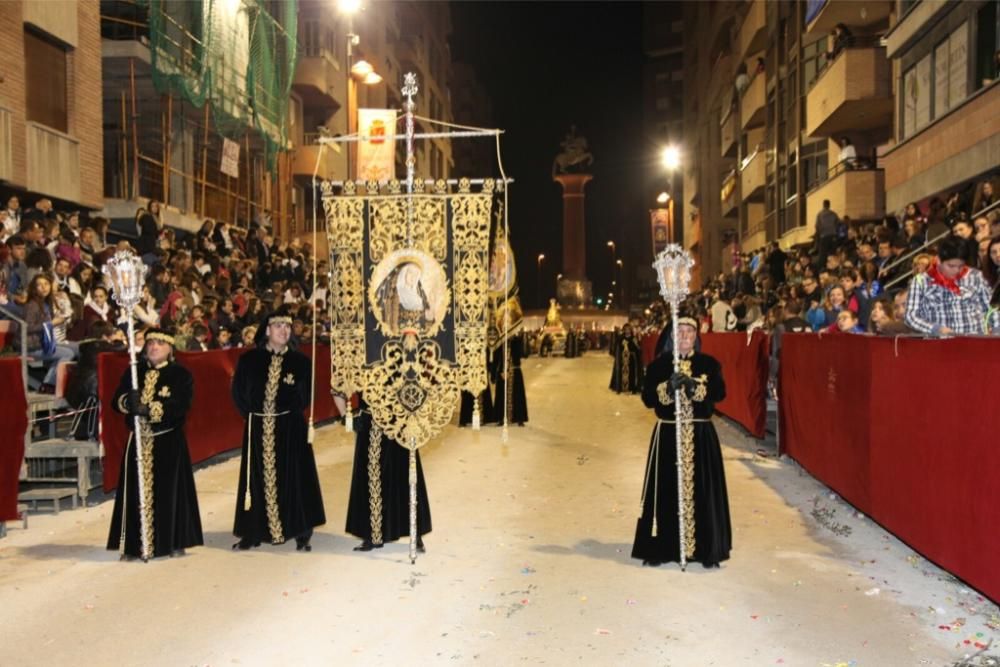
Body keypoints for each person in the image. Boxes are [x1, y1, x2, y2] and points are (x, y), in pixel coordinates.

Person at [632, 314, 731, 569]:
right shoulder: (658, 366)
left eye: (690, 331)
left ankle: (707, 549)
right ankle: (661, 548)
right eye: (680, 331)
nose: (685, 336)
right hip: (667, 435)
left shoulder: (709, 364)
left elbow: (720, 393)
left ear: (696, 336)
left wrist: (694, 387)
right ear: (672, 336)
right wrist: (667, 387)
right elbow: (647, 399)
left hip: (700, 436)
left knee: (703, 491)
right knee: (665, 490)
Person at [230, 312, 325, 551]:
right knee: (256, 479)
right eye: (278, 326)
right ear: (267, 331)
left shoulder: (301, 363)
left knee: (294, 478)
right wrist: (254, 416)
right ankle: (253, 531)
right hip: (258, 426)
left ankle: (300, 530)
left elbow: (305, 397)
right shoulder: (249, 360)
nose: (284, 330)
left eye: (287, 326)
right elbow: (239, 394)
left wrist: (286, 414)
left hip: (290, 428)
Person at [106, 328, 203, 560]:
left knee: (169, 492)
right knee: (134, 492)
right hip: (138, 441)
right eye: (150, 343)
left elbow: (181, 406)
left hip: (167, 440)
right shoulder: (134, 371)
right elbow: (115, 401)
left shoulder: (180, 375)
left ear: (170, 348)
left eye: (160, 343)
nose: (154, 347)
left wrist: (150, 409)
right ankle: (132, 545)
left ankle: (173, 541)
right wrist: (128, 401)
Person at [345, 398, 432, 552]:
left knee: (406, 475)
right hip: (370, 421)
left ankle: (415, 532)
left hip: (399, 419)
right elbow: (341, 385)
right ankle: (371, 533)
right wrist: (346, 416)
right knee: (370, 477)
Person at [904, 235, 992, 336]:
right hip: (939, 344)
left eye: (961, 266)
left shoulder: (976, 276)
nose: (956, 270)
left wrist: (996, 330)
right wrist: (935, 328)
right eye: (951, 266)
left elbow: (990, 309)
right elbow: (910, 316)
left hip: (974, 340)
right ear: (938, 260)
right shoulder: (921, 281)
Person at [24, 274, 76, 392]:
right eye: (39, 285)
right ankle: (49, 384)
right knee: (67, 353)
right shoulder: (32, 305)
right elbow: (28, 328)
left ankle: (51, 384)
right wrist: (52, 323)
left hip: (45, 342)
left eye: (46, 284)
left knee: (76, 349)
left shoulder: (46, 303)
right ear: (34, 288)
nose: (44, 287)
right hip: (33, 346)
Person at [492, 333, 528, 426]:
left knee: (518, 396)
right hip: (502, 372)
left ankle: (519, 418)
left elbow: (522, 354)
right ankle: (500, 418)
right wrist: (498, 372)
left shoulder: (516, 340)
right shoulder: (500, 341)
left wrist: (521, 339)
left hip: (515, 371)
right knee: (501, 395)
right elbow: (496, 358)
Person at [609, 323, 643, 394]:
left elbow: (638, 349)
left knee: (632, 374)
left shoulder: (633, 338)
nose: (627, 331)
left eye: (628, 329)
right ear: (624, 330)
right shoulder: (620, 338)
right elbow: (617, 348)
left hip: (631, 360)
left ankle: (632, 388)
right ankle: (620, 388)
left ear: (630, 330)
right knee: (622, 373)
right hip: (623, 360)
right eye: (626, 329)